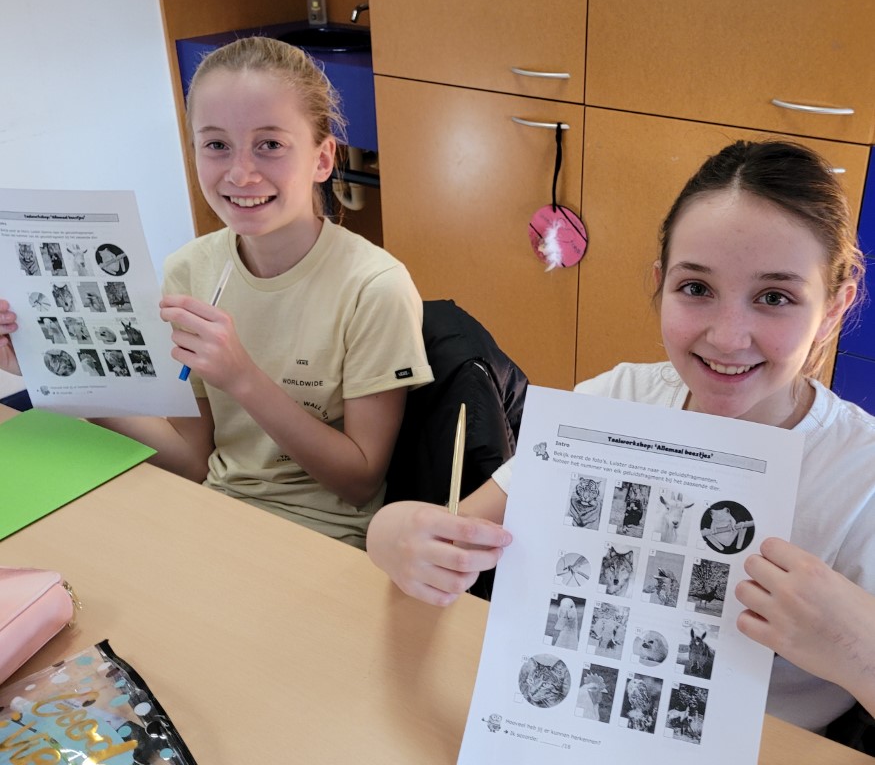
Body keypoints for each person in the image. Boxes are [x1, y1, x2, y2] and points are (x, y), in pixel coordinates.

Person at [365, 140, 875, 733]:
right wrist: (392, 533)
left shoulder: (860, 473)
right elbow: (458, 533)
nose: (728, 336)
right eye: (696, 288)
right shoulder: (616, 400)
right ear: (660, 284)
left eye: (775, 298)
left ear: (833, 309)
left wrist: (854, 646)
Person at [0, 37, 432, 550]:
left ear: (322, 159)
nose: (240, 173)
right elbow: (191, 462)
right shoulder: (190, 269)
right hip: (211, 510)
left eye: (270, 145)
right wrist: (61, 375)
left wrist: (243, 378)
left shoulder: (375, 288)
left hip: (320, 535)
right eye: (216, 145)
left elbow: (359, 482)